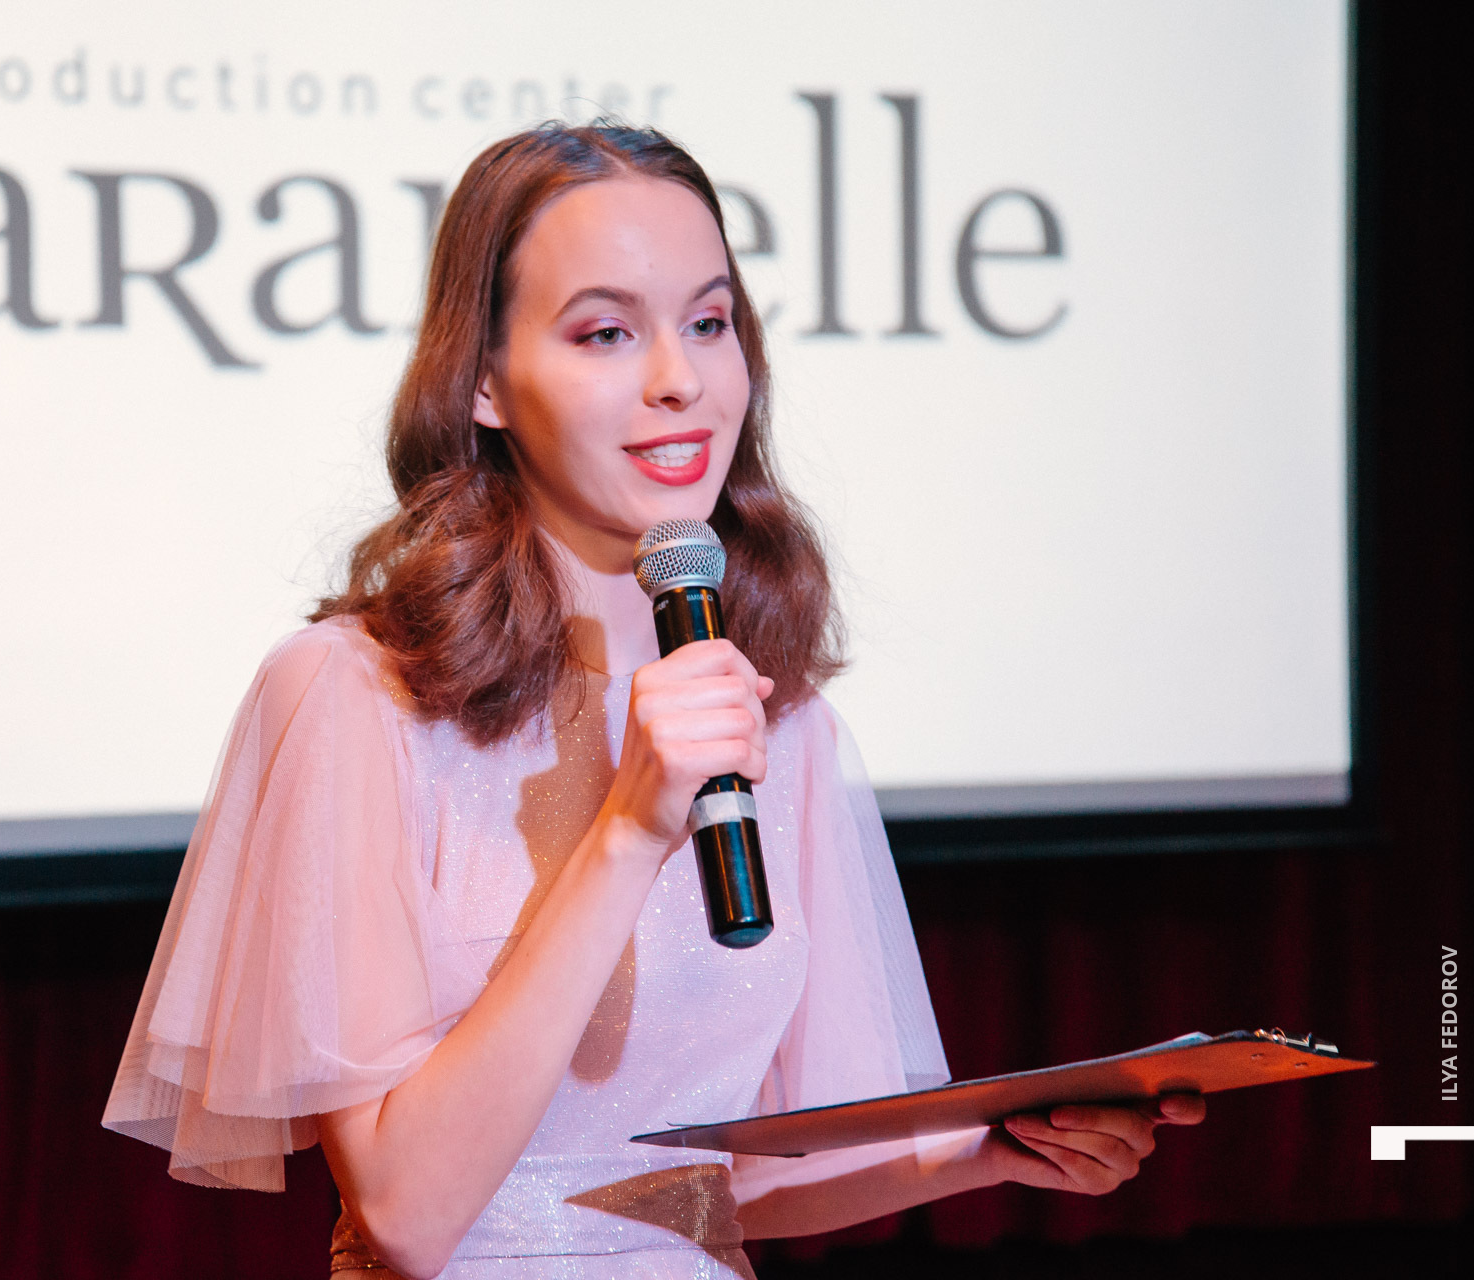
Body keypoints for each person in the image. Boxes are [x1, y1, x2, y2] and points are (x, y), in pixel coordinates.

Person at [104, 124, 1204, 1279]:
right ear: (483, 382)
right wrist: (630, 826)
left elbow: (713, 1184)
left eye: (710, 322)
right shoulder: (354, 691)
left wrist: (996, 1146)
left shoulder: (775, 719)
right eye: (607, 332)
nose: (680, 377)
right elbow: (405, 1214)